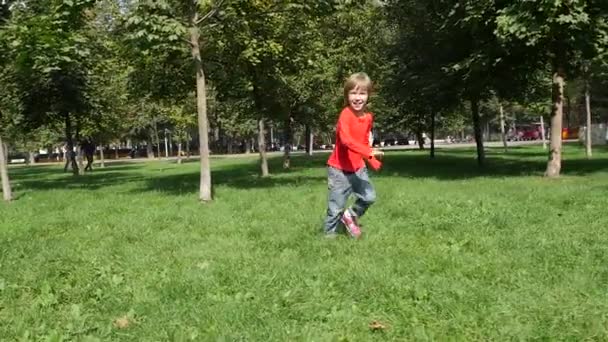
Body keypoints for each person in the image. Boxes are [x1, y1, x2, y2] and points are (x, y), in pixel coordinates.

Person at [323, 72, 383, 239]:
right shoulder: (345, 115)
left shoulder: (368, 117)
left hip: (358, 167)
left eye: (362, 93)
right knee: (335, 207)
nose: (358, 98)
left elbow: (363, 140)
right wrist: (368, 153)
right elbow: (346, 140)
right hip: (339, 170)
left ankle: (350, 216)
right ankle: (328, 239)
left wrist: (371, 160)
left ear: (368, 96)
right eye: (353, 93)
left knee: (369, 197)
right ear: (347, 95)